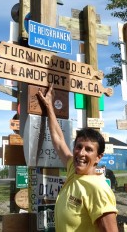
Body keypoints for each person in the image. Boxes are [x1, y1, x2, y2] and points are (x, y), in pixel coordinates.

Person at [38, 84, 118, 232]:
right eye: (78, 147)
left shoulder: (98, 189)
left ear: (98, 157)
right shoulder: (73, 170)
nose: (81, 153)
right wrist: (49, 106)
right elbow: (59, 141)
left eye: (88, 150)